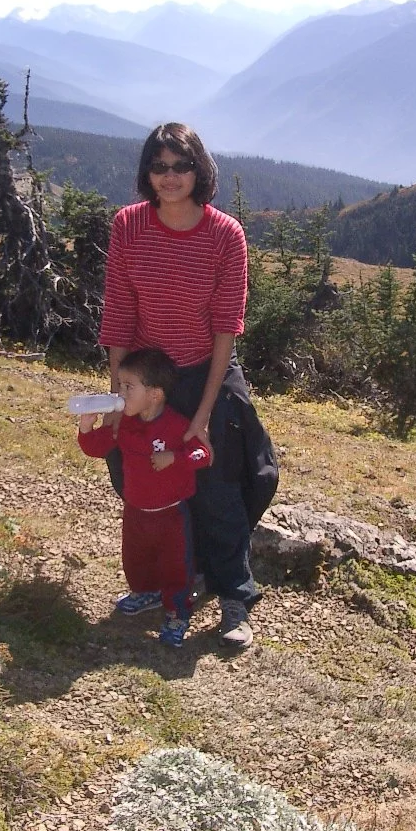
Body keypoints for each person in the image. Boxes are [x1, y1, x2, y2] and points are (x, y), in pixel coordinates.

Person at [99, 122, 278, 650]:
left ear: (200, 170)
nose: (171, 176)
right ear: (146, 173)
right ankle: (168, 579)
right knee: (140, 480)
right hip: (146, 373)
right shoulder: (128, 226)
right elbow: (120, 314)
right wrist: (120, 393)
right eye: (160, 166)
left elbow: (227, 327)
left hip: (207, 368)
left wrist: (202, 414)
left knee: (218, 481)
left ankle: (233, 598)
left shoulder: (226, 235)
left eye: (182, 165)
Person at [77, 347, 211, 648]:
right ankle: (144, 592)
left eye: (128, 387)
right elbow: (96, 447)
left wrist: (174, 458)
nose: (120, 393)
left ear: (154, 394)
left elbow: (203, 455)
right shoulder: (124, 423)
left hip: (171, 514)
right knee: (135, 558)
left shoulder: (177, 425)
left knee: (175, 565)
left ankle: (177, 613)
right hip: (135, 510)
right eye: (120, 386)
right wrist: (86, 428)